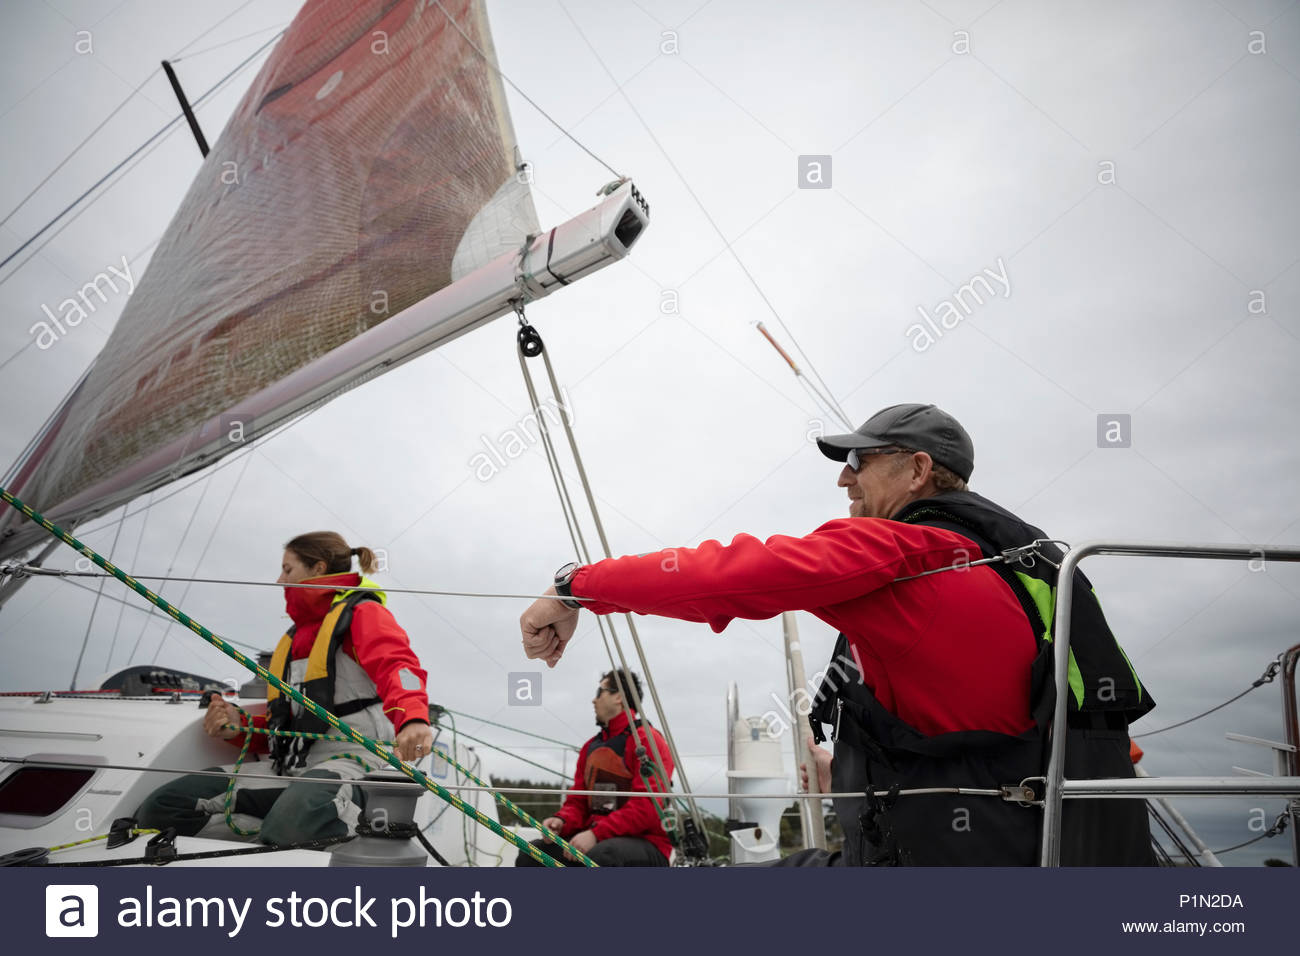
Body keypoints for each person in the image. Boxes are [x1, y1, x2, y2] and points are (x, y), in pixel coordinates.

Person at [520, 403, 1156, 866]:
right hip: (1039, 847)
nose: (843, 479)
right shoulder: (1017, 568)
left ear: (917, 470)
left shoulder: (909, 552)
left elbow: (726, 574)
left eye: (858, 461)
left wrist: (577, 586)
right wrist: (845, 768)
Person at [136, 531, 433, 846]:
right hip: (287, 769)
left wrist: (413, 718)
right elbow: (289, 723)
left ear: (317, 569)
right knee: (162, 808)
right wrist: (239, 727)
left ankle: (310, 832)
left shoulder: (363, 613)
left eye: (288, 569)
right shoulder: (294, 638)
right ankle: (275, 835)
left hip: (351, 761)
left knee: (297, 819)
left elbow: (400, 667)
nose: (279, 580)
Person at [516, 668, 674, 867]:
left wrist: (595, 834)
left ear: (619, 697)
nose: (594, 700)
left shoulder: (648, 742)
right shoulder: (590, 748)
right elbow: (578, 802)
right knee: (532, 855)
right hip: (598, 837)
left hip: (647, 844)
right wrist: (561, 821)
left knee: (603, 856)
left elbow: (649, 807)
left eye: (600, 692)